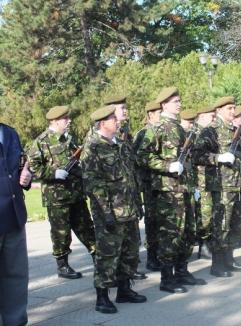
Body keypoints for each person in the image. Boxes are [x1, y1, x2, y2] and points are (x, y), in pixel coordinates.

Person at [81, 106, 147, 314]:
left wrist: (138, 203)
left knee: (130, 251)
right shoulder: (93, 147)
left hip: (129, 209)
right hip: (110, 213)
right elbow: (93, 184)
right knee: (108, 255)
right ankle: (102, 297)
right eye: (112, 119)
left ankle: (125, 289)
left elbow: (131, 177)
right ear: (102, 123)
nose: (117, 121)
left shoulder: (120, 145)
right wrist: (106, 213)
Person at [146, 87, 206, 293]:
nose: (179, 104)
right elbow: (142, 155)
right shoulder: (156, 128)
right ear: (163, 105)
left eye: (180, 101)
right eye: (175, 102)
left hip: (185, 188)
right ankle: (167, 278)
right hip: (168, 191)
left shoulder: (180, 129)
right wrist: (166, 166)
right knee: (170, 234)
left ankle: (182, 270)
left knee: (188, 233)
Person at [27, 106, 96, 279]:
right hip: (57, 197)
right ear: (55, 121)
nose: (69, 121)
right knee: (61, 232)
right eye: (65, 118)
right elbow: (33, 167)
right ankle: (62, 265)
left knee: (86, 227)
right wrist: (53, 173)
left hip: (76, 193)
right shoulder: (41, 141)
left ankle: (98, 257)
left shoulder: (69, 139)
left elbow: (77, 161)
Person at [193, 96, 241, 277]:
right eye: (229, 108)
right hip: (222, 186)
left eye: (234, 108)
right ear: (218, 111)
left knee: (236, 224)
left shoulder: (236, 130)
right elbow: (197, 155)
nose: (233, 111)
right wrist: (218, 158)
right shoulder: (211, 131)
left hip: (237, 185)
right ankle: (218, 263)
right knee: (221, 225)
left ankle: (229, 258)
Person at [104, 95, 147, 280]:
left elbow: (131, 163)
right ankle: (112, 277)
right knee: (114, 242)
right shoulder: (99, 137)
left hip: (130, 193)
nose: (125, 111)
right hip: (114, 199)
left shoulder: (124, 132)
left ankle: (129, 272)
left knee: (132, 238)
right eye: (121, 108)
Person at [0, 122, 32, 326]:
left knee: (16, 277)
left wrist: (27, 177)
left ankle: (16, 322)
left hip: (14, 216)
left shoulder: (10, 133)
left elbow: (20, 167)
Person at [134, 101, 163, 271]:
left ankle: (160, 253)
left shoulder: (161, 130)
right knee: (152, 221)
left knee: (161, 221)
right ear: (150, 114)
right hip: (150, 184)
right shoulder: (143, 133)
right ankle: (152, 257)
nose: (161, 115)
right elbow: (138, 159)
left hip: (161, 183)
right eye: (158, 112)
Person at [193, 105, 216, 260]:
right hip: (198, 180)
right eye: (210, 116)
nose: (213, 119)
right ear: (201, 116)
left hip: (210, 178)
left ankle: (209, 242)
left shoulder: (210, 133)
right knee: (204, 214)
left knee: (210, 211)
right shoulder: (193, 133)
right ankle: (203, 245)